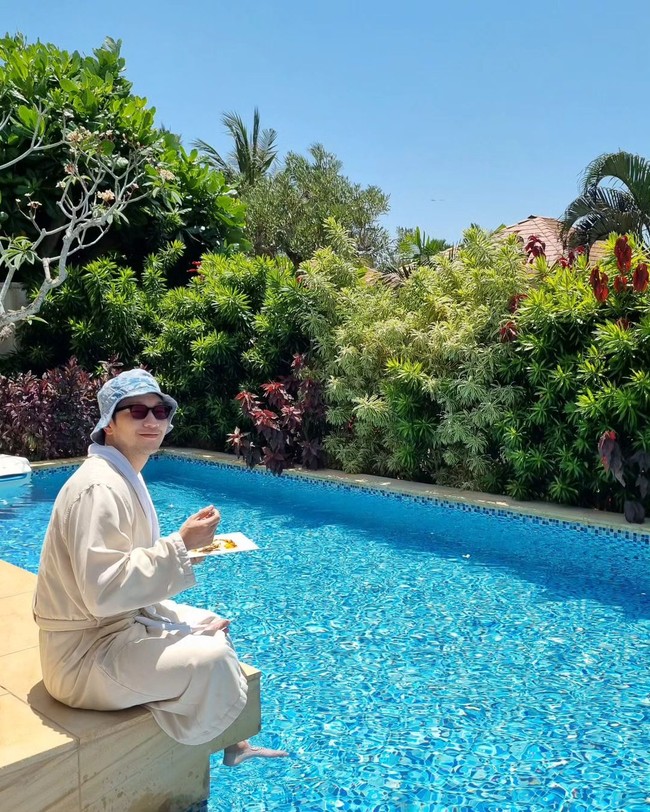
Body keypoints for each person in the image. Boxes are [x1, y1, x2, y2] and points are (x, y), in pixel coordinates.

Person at [33, 368, 287, 766]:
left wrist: (183, 553)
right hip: (83, 658)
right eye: (135, 411)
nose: (151, 420)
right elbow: (102, 592)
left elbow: (122, 567)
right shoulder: (99, 487)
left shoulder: (119, 475)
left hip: (113, 629)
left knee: (211, 622)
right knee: (212, 659)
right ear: (110, 424)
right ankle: (194, 741)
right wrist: (179, 545)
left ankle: (234, 746)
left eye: (160, 410)